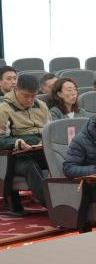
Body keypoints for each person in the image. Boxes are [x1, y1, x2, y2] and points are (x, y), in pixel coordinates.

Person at [0, 74, 49, 209]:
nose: (30, 100)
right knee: (29, 165)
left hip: (40, 150)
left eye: (33, 96)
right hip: (16, 156)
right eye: (26, 96)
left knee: (64, 160)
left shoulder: (42, 106)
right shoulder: (4, 109)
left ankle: (74, 198)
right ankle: (51, 204)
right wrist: (17, 142)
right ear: (16, 89)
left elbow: (51, 131)